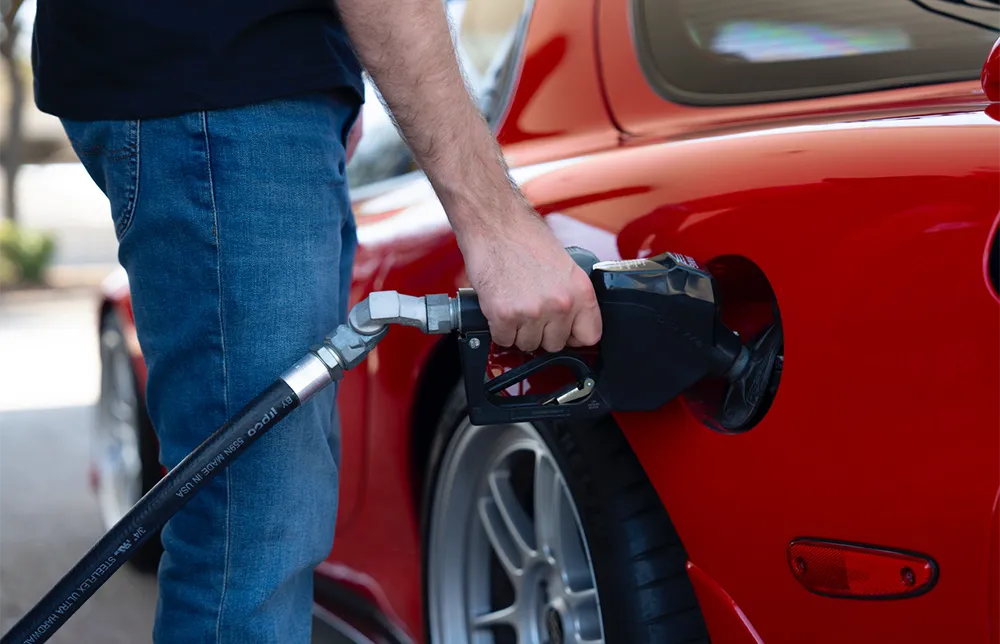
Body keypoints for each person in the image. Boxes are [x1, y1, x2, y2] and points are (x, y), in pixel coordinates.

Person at [15, 0, 603, 641]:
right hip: (226, 88)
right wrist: (496, 224)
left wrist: (324, 83)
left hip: (241, 91)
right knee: (250, 540)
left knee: (258, 526)